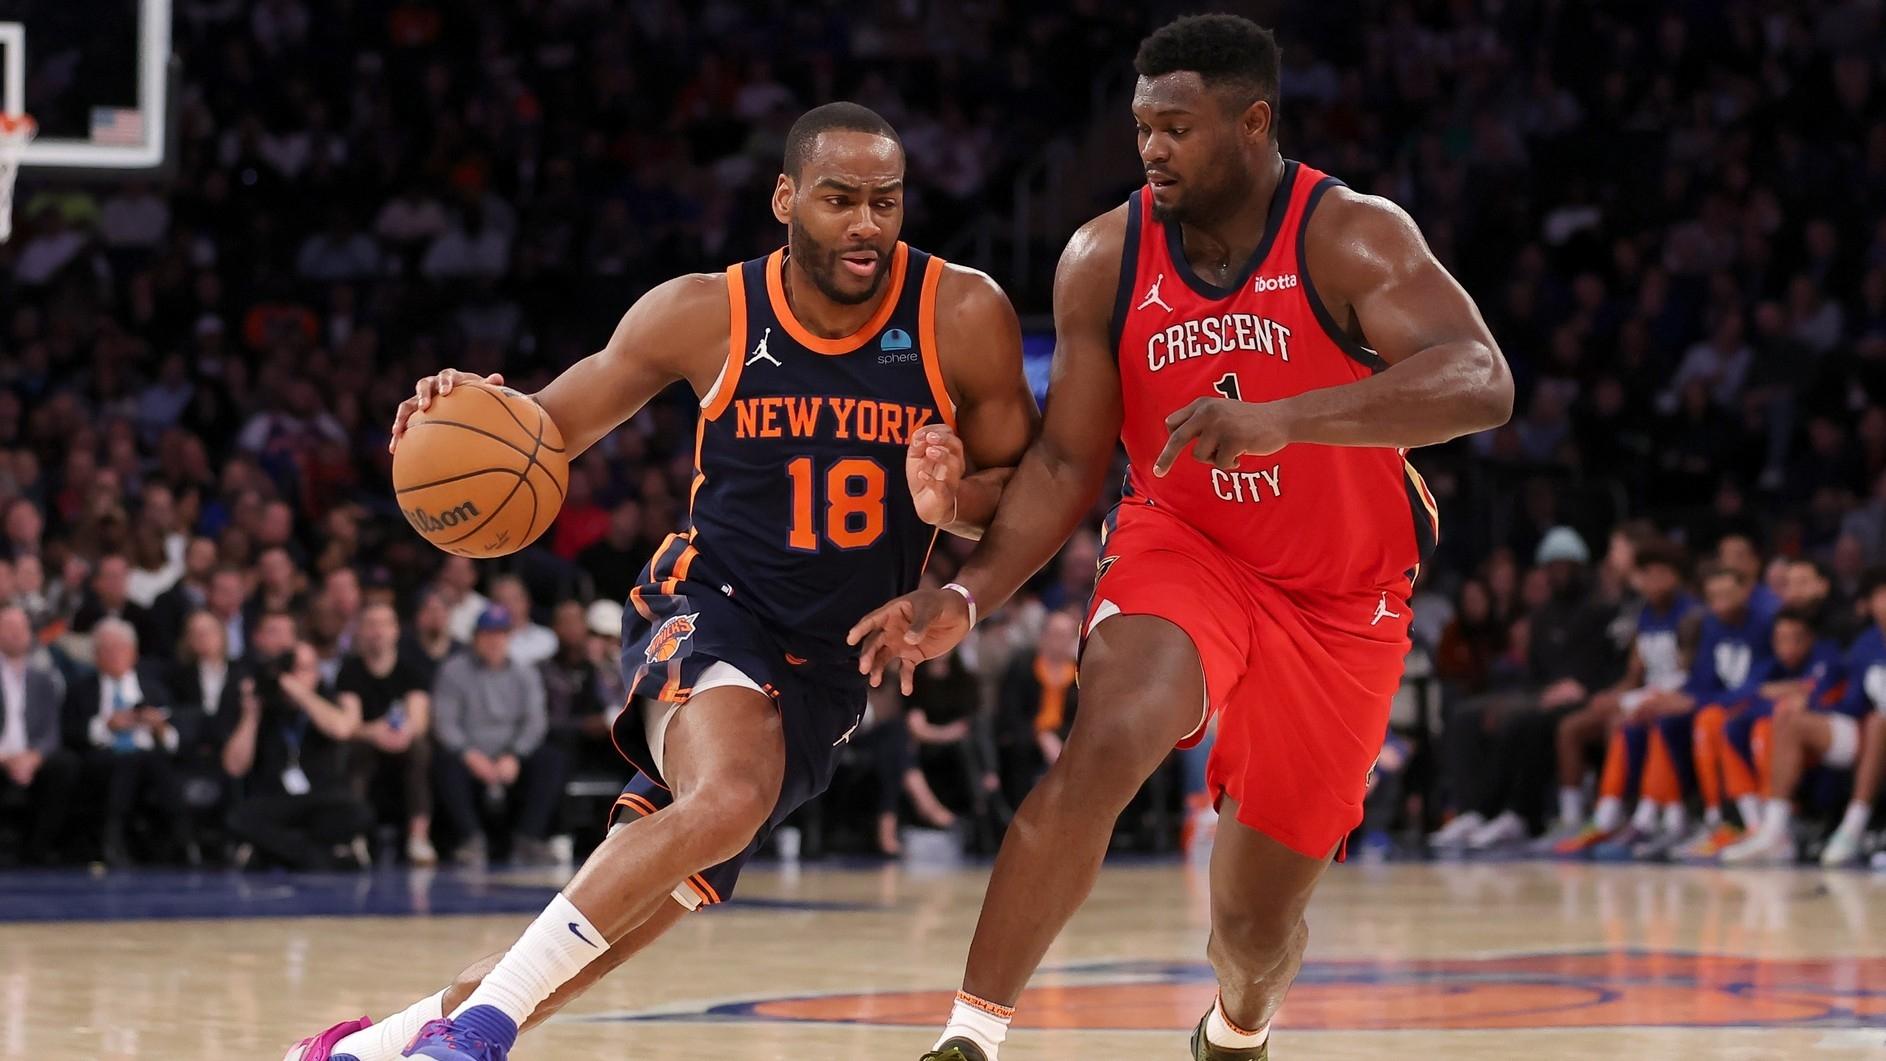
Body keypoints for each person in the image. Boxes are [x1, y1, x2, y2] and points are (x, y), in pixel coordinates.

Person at [286, 100, 1036, 1061]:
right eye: (839, 198)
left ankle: (365, 1047)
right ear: (785, 197)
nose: (865, 224)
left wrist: (948, 500)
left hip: (835, 663)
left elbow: (1020, 496)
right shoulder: (702, 311)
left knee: (620, 921)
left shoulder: (962, 313)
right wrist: (456, 410)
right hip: (709, 604)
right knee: (726, 800)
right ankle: (473, 1039)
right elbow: (541, 431)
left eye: (884, 202)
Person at [849, 17, 1510, 1061]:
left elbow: (1481, 380)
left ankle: (1234, 1028)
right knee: (1111, 732)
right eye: (1141, 126)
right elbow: (1068, 466)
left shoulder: (1348, 235)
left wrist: (1288, 415)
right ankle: (968, 1036)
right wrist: (964, 585)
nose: (1150, 148)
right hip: (1183, 544)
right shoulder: (1102, 258)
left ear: (1252, 123)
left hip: (1343, 600)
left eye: (1176, 127)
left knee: (1251, 930)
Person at [1540, 540, 1695, 848]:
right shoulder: (1646, 614)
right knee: (1572, 727)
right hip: (1647, 692)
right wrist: (1612, 694)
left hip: (1677, 695)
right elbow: (1635, 673)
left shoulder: (1690, 616)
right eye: (1646, 575)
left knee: (1620, 721)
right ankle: (1572, 817)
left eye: (1659, 574)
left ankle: (1625, 812)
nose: (1650, 582)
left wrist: (1642, 699)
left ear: (1675, 577)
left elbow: (1691, 674)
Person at [1723, 571, 1886, 864]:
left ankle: (1853, 828)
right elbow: (1852, 703)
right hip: (1870, 734)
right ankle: (1775, 832)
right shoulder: (1866, 644)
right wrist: (1811, 705)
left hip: (1878, 728)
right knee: (1788, 718)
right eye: (1882, 596)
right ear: (1871, 603)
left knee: (1878, 722)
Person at [222, 636, 372, 870]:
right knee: (238, 818)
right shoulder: (264, 704)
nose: (297, 676)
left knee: (358, 813)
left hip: (321, 799)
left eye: (306, 669)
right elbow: (234, 766)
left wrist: (300, 693)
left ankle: (275, 853)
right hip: (276, 800)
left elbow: (341, 730)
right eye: (292, 670)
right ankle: (323, 859)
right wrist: (251, 715)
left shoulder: (325, 700)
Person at [65, 618, 194, 866]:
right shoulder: (81, 690)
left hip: (151, 760)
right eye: (107, 649)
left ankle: (182, 839)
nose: (114, 655)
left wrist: (159, 727)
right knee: (128, 763)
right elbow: (70, 732)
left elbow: (175, 741)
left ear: (134, 653)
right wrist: (105, 726)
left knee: (153, 762)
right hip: (104, 759)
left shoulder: (155, 689)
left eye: (121, 648)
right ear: (95, 655)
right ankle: (113, 838)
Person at [429, 606, 551, 867]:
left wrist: (515, 755)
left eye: (500, 634)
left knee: (552, 759)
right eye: (487, 634)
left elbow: (535, 722)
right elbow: (445, 723)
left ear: (509, 637)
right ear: (476, 637)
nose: (494, 640)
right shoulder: (453, 671)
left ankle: (528, 837)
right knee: (444, 761)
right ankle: (470, 838)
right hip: (470, 754)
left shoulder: (525, 673)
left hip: (510, 755)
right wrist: (469, 754)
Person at [336, 602, 436, 867]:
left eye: (384, 624)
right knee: (356, 752)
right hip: (368, 746)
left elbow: (418, 721)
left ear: (396, 631)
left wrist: (401, 733)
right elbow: (350, 724)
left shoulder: (412, 671)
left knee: (420, 749)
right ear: (360, 631)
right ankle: (354, 835)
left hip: (403, 744)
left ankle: (418, 836)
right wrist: (376, 732)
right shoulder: (350, 672)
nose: (377, 631)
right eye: (371, 624)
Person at [0, 603, 79, 864]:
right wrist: (6, 759)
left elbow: (50, 730)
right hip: (2, 756)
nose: (15, 634)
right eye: (8, 627)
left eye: (20, 628)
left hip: (31, 755)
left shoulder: (43, 678)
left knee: (65, 765)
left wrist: (33, 758)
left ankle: (36, 849)